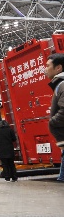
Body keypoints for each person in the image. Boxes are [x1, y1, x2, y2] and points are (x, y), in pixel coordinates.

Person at [44, 53, 64, 182]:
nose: (45, 69)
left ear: (58, 68)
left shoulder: (62, 85)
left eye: (47, 66)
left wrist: (52, 122)